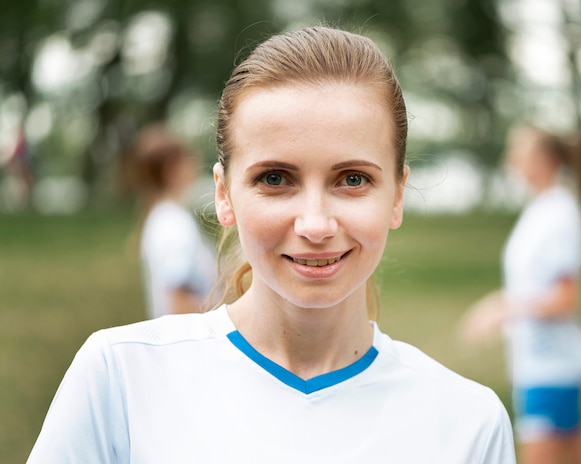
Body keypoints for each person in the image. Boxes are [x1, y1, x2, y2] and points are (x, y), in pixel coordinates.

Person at [28, 26, 515, 463]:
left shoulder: (468, 423)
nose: (316, 223)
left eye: (352, 179)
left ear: (397, 195)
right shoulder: (121, 378)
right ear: (224, 194)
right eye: (276, 178)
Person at [460, 124, 581, 464]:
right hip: (537, 361)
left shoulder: (559, 213)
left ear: (545, 160)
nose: (511, 158)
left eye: (519, 150)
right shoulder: (542, 209)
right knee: (578, 455)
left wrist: (503, 309)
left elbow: (567, 297)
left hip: (552, 364)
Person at [124, 124, 217, 318]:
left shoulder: (162, 217)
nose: (196, 164)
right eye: (189, 159)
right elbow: (180, 302)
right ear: (171, 169)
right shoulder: (173, 224)